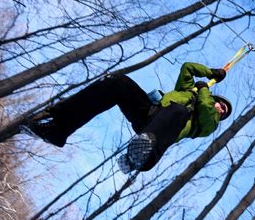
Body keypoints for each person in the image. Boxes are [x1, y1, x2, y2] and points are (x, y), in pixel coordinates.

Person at [24, 62, 232, 173]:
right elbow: (187, 67)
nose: (221, 109)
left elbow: (206, 110)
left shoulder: (209, 124)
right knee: (118, 83)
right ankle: (59, 127)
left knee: (179, 111)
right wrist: (210, 72)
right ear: (216, 97)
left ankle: (143, 156)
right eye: (221, 104)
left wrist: (203, 89)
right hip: (148, 113)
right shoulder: (187, 91)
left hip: (165, 129)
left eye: (223, 111)